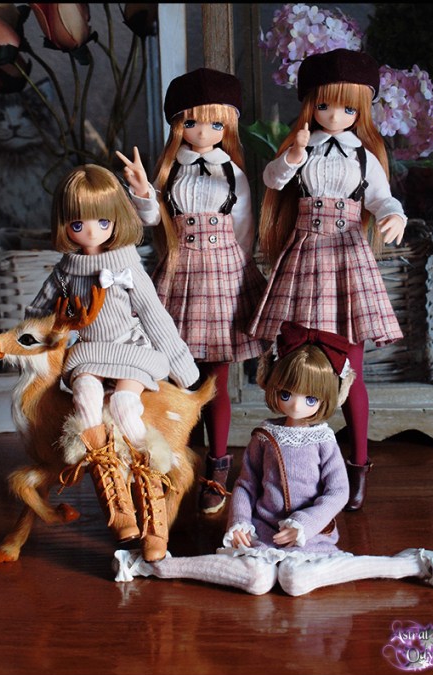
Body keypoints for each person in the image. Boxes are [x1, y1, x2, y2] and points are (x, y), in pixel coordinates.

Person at [112, 322, 433, 596]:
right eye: (287, 394)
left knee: (295, 580)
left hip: (311, 538)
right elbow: (246, 485)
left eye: (310, 399)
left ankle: (409, 564)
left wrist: (304, 524)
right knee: (256, 579)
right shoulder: (265, 435)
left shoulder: (323, 439)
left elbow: (337, 492)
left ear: (329, 397)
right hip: (262, 533)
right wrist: (239, 523)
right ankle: (154, 566)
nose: (295, 405)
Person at [247, 49, 408, 511]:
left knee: (349, 370)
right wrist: (294, 156)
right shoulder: (302, 147)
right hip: (303, 260)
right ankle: (291, 463)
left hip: (345, 263)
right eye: (324, 105)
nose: (335, 116)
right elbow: (272, 180)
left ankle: (357, 464)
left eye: (348, 108)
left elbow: (382, 199)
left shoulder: (363, 157)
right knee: (295, 361)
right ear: (309, 105)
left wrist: (394, 216)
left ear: (362, 111)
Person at [25, 164, 200, 561]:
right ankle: (118, 505)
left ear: (117, 220)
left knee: (123, 406)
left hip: (130, 350)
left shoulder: (127, 266)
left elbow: (155, 317)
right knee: (85, 401)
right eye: (78, 224)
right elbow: (35, 316)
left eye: (102, 222)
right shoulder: (65, 272)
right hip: (89, 353)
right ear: (65, 225)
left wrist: (182, 368)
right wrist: (47, 333)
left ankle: (153, 508)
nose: (91, 232)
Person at [117, 67, 267, 515]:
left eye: (216, 123)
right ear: (177, 125)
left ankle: (218, 466)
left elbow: (244, 227)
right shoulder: (170, 172)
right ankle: (184, 458)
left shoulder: (232, 172)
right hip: (180, 275)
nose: (204, 132)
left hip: (223, 276)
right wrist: (143, 193)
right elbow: (150, 220)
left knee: (216, 380)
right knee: (179, 374)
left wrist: (240, 275)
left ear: (228, 126)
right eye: (192, 122)